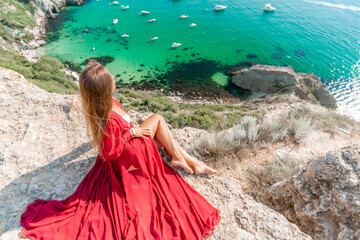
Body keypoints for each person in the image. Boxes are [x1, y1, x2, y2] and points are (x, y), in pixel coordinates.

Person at [20, 63, 221, 239]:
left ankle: (186, 159)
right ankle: (185, 159)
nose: (114, 77)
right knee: (158, 118)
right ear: (106, 87)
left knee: (159, 128)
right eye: (110, 77)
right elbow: (109, 153)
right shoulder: (109, 118)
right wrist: (131, 132)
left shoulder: (102, 103)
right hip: (130, 154)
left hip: (130, 145)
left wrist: (130, 132)